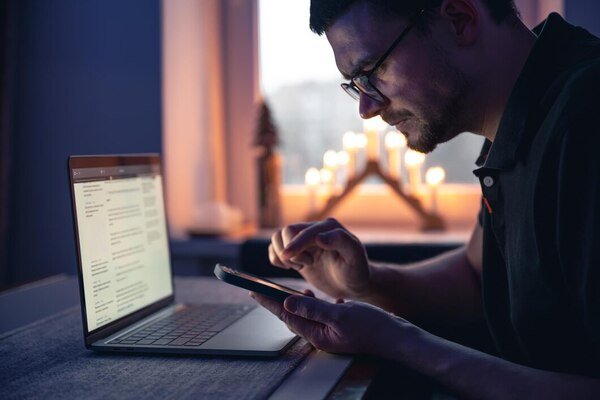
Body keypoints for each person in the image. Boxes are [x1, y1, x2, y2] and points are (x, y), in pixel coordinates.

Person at [251, 0, 600, 398]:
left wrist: (399, 341)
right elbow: (477, 276)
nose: (367, 108)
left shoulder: (587, 118)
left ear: (459, 19)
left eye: (372, 71)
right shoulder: (517, 114)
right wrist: (368, 284)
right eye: (355, 86)